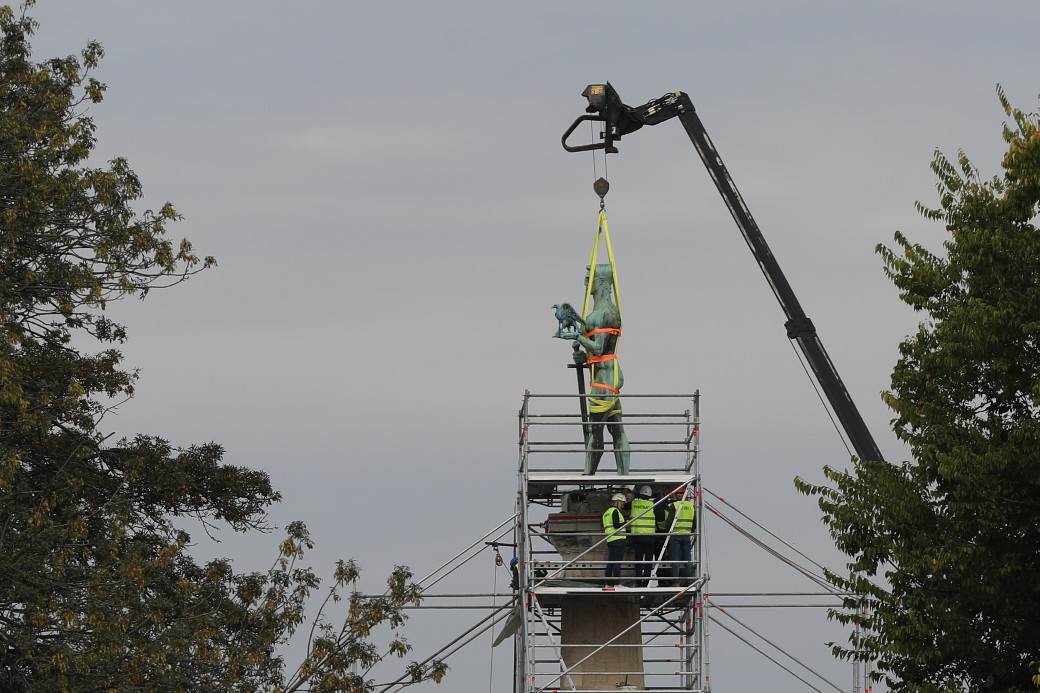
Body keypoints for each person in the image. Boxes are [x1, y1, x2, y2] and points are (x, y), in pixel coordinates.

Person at [629, 485, 659, 586]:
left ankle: (638, 581)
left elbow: (625, 505)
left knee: (638, 559)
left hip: (637, 536)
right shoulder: (653, 504)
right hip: (650, 537)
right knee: (648, 560)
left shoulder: (634, 503)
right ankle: (646, 581)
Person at [666, 487, 697, 586]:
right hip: (686, 535)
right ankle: (689, 579)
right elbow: (694, 523)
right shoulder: (691, 505)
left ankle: (676, 581)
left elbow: (669, 522)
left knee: (675, 558)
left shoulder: (674, 505)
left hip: (675, 535)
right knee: (687, 557)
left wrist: (668, 531)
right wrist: (690, 530)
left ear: (677, 495)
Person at [601, 493, 628, 586]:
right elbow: (616, 525)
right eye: (623, 503)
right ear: (618, 502)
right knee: (617, 562)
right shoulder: (615, 511)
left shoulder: (606, 513)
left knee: (611, 562)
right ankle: (616, 583)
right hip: (618, 539)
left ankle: (608, 583)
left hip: (610, 540)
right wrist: (626, 523)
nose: (623, 505)